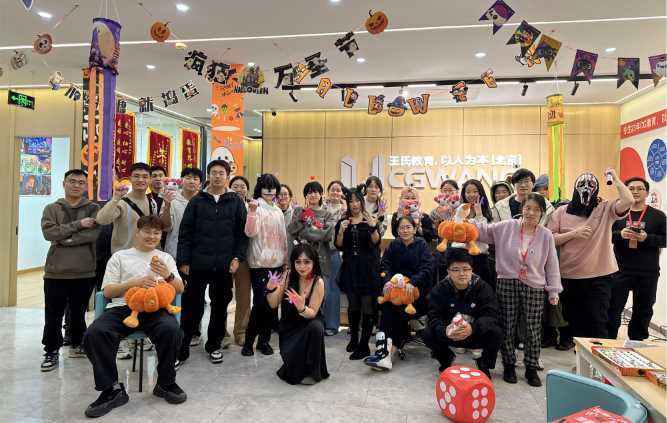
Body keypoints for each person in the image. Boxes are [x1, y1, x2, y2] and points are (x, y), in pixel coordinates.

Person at [82, 216, 186, 418]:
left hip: (156, 308)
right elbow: (108, 291)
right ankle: (111, 389)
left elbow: (180, 289)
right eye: (147, 231)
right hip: (122, 307)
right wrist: (134, 283)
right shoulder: (120, 257)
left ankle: (165, 383)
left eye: (156, 233)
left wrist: (168, 275)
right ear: (137, 232)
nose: (152, 236)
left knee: (171, 330)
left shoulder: (165, 258)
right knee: (95, 334)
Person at [473, 193, 562, 387]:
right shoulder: (507, 226)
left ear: (542, 213)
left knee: (533, 328)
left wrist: (553, 290)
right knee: (507, 325)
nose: (531, 213)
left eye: (536, 210)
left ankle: (531, 367)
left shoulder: (545, 234)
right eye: (528, 208)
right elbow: (482, 232)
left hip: (534, 285)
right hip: (507, 281)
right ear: (522, 209)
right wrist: (478, 214)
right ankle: (509, 365)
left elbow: (552, 264)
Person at [548, 169, 633, 348]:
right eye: (582, 184)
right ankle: (582, 359)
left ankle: (600, 359)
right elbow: (550, 239)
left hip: (599, 276)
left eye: (591, 185)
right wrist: (574, 234)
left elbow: (628, 201)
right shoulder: (561, 212)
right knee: (574, 320)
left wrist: (615, 179)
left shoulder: (604, 208)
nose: (586, 188)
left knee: (597, 321)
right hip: (569, 275)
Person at [177, 160, 248, 365]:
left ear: (227, 176)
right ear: (209, 176)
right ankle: (181, 350)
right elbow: (185, 232)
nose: (217, 176)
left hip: (224, 265)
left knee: (219, 307)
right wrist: (184, 260)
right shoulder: (197, 201)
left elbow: (242, 234)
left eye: (221, 173)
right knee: (192, 307)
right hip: (197, 263)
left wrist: (237, 257)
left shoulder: (235, 202)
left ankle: (214, 345)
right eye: (214, 172)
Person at [39, 169, 100, 372]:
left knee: (78, 312)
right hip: (56, 271)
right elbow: (49, 233)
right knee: (53, 314)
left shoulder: (93, 208)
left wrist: (64, 239)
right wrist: (79, 224)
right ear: (63, 183)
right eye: (72, 181)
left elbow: (93, 234)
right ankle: (51, 350)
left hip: (84, 270)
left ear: (85, 186)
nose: (76, 185)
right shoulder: (52, 208)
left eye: (81, 182)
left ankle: (78, 343)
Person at [365, 216, 434, 371]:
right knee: (388, 309)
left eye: (408, 227)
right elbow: (385, 265)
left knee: (398, 311)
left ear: (414, 229)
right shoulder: (394, 245)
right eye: (401, 227)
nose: (405, 230)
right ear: (397, 230)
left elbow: (427, 269)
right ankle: (383, 352)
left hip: (415, 295)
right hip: (396, 292)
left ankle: (388, 354)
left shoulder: (422, 245)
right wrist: (387, 281)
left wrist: (412, 282)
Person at [422, 248, 503, 377]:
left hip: (474, 333)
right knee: (427, 333)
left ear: (472, 270)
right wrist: (445, 330)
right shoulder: (440, 288)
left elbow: (491, 315)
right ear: (448, 271)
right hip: (450, 333)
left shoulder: (483, 287)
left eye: (466, 269)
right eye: (455, 269)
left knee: (496, 333)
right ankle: (446, 358)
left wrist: (472, 328)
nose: (461, 274)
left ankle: (484, 363)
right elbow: (433, 314)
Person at [608, 177, 666, 340]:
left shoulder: (658, 216)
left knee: (643, 311)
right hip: (619, 270)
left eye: (640, 188)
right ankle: (608, 343)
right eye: (631, 188)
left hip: (647, 271)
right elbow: (605, 236)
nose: (635, 191)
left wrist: (647, 238)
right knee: (612, 309)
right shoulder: (618, 214)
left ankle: (637, 344)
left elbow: (665, 239)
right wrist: (620, 235)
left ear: (647, 193)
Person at [267, 244, 329, 385]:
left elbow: (312, 313)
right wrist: (270, 290)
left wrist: (301, 308)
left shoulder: (318, 282)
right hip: (289, 325)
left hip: (309, 322)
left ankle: (312, 372)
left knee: (316, 327)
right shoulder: (288, 276)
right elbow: (273, 304)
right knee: (293, 369)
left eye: (307, 262)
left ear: (314, 262)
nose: (302, 266)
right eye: (298, 262)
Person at [242, 174, 289, 356]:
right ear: (259, 189)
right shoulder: (255, 206)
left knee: (272, 305)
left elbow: (283, 237)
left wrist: (285, 260)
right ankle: (248, 342)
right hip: (260, 264)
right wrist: (252, 212)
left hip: (277, 264)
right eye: (266, 187)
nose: (270, 190)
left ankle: (264, 341)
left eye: (273, 187)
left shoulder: (278, 211)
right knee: (260, 304)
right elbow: (249, 232)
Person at [335, 185, 381, 360]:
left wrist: (373, 227)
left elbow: (376, 242)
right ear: (347, 203)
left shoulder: (370, 220)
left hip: (368, 269)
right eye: (351, 201)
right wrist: (341, 231)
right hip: (350, 268)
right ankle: (354, 338)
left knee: (367, 305)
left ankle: (364, 345)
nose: (354, 204)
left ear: (362, 202)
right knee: (353, 305)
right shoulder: (343, 222)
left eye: (357, 201)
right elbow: (339, 245)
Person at [162, 167, 203, 347]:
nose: (191, 181)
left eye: (195, 178)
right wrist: (167, 205)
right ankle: (173, 329)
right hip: (174, 254)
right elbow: (165, 226)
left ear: (200, 183)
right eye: (188, 177)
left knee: (196, 295)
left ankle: (194, 330)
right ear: (181, 180)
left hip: (198, 256)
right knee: (175, 293)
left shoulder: (204, 200)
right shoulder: (172, 199)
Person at [96, 162, 157, 254]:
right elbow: (101, 220)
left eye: (145, 177)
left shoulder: (152, 203)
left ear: (150, 180)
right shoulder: (122, 202)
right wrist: (115, 198)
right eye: (136, 176)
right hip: (124, 256)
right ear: (130, 179)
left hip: (146, 255)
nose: (140, 180)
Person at [288, 181, 337, 282]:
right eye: (309, 193)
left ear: (321, 194)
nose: (313, 195)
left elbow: (328, 235)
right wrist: (304, 215)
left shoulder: (327, 215)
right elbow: (292, 230)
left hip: (321, 260)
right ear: (305, 196)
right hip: (301, 260)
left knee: (321, 289)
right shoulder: (299, 211)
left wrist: (304, 232)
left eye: (316, 192)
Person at [454, 179, 493, 289]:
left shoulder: (487, 211)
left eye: (475, 191)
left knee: (481, 290)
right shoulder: (460, 209)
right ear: (464, 194)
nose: (471, 195)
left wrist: (479, 213)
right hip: (462, 256)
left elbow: (484, 233)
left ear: (480, 193)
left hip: (480, 257)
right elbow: (457, 233)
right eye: (468, 192)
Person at [228, 175, 253, 346]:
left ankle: (241, 332)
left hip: (244, 257)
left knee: (244, 295)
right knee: (223, 295)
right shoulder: (223, 205)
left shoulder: (252, 208)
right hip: (224, 256)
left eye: (242, 186)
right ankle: (221, 332)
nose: (239, 189)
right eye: (235, 186)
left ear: (247, 190)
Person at [322, 180, 346, 336]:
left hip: (336, 252)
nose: (335, 192)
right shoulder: (321, 208)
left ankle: (331, 325)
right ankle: (318, 321)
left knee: (333, 289)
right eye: (333, 189)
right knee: (320, 287)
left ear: (342, 193)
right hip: (320, 251)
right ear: (328, 192)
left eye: (338, 190)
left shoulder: (346, 211)